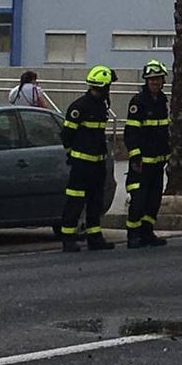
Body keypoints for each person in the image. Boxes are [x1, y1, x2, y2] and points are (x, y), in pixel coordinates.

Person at [58, 65, 117, 252]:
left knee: (95, 201)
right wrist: (72, 154)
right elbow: (67, 135)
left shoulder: (101, 106)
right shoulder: (79, 107)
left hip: (98, 163)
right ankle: (68, 238)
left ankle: (94, 237)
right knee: (75, 201)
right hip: (82, 164)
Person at [123, 60, 171, 249]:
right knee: (139, 199)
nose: (155, 82)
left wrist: (167, 153)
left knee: (153, 199)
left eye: (158, 79)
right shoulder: (138, 102)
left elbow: (163, 130)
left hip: (158, 161)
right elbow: (131, 132)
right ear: (146, 81)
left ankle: (147, 232)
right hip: (141, 163)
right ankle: (133, 235)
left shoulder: (162, 101)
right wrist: (135, 156)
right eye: (152, 79)